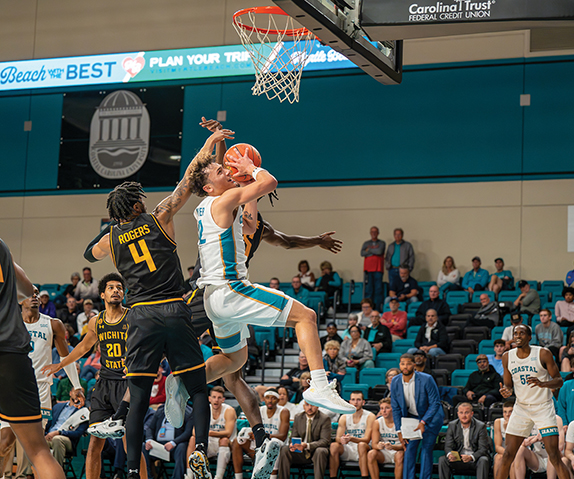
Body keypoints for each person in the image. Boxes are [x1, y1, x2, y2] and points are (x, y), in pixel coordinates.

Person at [182, 121, 343, 479]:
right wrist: (243, 163)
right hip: (219, 288)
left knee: (233, 364)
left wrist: (222, 149)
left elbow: (226, 187)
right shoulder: (226, 201)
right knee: (306, 317)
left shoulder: (230, 209)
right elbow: (236, 181)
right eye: (226, 172)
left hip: (216, 296)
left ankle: (187, 387)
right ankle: (318, 385)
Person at [87, 128, 232, 479]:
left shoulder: (112, 238)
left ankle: (134, 473)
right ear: (138, 206)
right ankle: (198, 453)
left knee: (136, 398)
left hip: (140, 318)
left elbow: (89, 254)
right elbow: (186, 181)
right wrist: (208, 145)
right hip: (174, 308)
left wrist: (114, 225)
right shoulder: (160, 216)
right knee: (198, 388)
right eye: (141, 199)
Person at [42, 273, 147, 479]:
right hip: (104, 386)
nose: (116, 290)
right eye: (111, 287)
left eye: (119, 287)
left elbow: (149, 345)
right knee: (94, 444)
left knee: (130, 445)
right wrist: (61, 364)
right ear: (102, 294)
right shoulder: (96, 322)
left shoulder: (133, 317)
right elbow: (83, 347)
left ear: (124, 293)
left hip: (127, 385)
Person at [0, 285, 84, 479]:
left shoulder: (53, 324)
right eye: (30, 293)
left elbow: (66, 357)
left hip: (39, 390)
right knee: (4, 442)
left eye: (37, 293)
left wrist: (77, 385)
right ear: (20, 299)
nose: (35, 296)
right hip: (11, 389)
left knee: (36, 450)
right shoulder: (8, 323)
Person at [0, 239, 66, 479]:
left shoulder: (52, 324)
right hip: (13, 357)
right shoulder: (3, 248)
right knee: (38, 451)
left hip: (39, 381)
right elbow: (28, 288)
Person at [495, 324, 570, 479]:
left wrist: (543, 384)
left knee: (554, 455)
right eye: (515, 333)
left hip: (543, 407)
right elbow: (508, 385)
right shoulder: (507, 356)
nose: (518, 336)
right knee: (508, 454)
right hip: (521, 408)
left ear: (529, 337)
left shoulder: (543, 353)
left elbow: (559, 380)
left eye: (522, 333)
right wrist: (507, 391)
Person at [390, 353, 444, 479]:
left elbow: (435, 403)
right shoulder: (395, 382)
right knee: (409, 449)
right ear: (399, 365)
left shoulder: (427, 379)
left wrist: (424, 421)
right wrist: (399, 430)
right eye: (403, 363)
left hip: (432, 417)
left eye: (408, 363)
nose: (405, 366)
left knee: (426, 449)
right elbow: (396, 408)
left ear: (414, 365)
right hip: (412, 418)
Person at [232, 388, 289, 479]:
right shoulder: (260, 410)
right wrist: (251, 434)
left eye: (273, 398)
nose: (270, 400)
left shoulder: (283, 411)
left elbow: (283, 436)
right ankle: (238, 477)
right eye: (267, 397)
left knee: (273, 444)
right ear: (263, 399)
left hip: (277, 444)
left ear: (278, 400)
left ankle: (272, 477)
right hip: (261, 443)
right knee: (237, 441)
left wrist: (263, 436)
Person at [277, 402, 331, 479]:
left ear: (318, 407)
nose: (309, 407)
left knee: (321, 451)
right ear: (303, 406)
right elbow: (293, 437)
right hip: (301, 453)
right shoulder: (298, 417)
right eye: (307, 405)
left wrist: (307, 445)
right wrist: (293, 444)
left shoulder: (324, 419)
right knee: (285, 450)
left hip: (315, 452)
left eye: (312, 405)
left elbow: (325, 441)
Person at [329, 391, 375, 479]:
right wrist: (343, 439)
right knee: (334, 445)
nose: (355, 402)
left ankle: (364, 477)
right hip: (350, 448)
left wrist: (351, 439)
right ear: (349, 402)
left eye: (358, 400)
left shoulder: (370, 416)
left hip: (365, 449)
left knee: (361, 445)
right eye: (353, 400)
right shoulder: (344, 417)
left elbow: (367, 439)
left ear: (363, 402)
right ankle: (333, 477)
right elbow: (338, 438)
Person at [438, 402, 491, 479]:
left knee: (483, 460)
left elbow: (483, 449)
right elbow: (448, 446)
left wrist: (471, 457)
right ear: (458, 414)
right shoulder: (452, 425)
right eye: (461, 413)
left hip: (475, 459)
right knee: (443, 460)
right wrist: (450, 454)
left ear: (472, 413)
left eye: (466, 412)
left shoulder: (480, 426)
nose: (464, 415)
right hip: (459, 458)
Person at [144, 404, 193, 479]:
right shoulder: (161, 410)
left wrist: (173, 443)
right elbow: (150, 428)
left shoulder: (188, 412)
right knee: (143, 447)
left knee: (182, 447)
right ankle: (147, 477)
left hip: (175, 445)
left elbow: (188, 432)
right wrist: (149, 440)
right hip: (158, 446)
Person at [45, 388, 89, 467]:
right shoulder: (57, 407)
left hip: (66, 439)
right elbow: (48, 423)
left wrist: (59, 433)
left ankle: (56, 474)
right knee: (32, 439)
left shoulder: (84, 413)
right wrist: (45, 434)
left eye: (80, 392)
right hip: (49, 435)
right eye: (75, 392)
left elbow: (78, 433)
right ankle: (27, 474)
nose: (77, 394)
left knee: (57, 439)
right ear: (70, 393)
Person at [367, 398, 405, 479]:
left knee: (400, 455)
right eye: (381, 408)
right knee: (371, 454)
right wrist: (379, 446)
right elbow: (374, 444)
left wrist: (393, 447)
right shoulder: (377, 422)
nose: (383, 411)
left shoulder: (401, 422)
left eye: (387, 408)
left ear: (393, 409)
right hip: (384, 452)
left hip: (398, 451)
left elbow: (406, 445)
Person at [206, 386, 236, 479]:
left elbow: (228, 433)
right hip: (209, 443)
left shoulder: (229, 410)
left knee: (224, 440)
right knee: (192, 440)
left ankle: (218, 477)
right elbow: (194, 432)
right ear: (209, 398)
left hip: (227, 445)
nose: (216, 400)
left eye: (219, 398)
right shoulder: (205, 409)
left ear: (223, 399)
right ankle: (189, 476)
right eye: (214, 397)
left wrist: (209, 433)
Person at [385, 228, 415, 296]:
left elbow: (411, 257)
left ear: (402, 235)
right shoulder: (391, 246)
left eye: (399, 234)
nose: (397, 236)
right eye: (396, 234)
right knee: (392, 287)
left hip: (403, 269)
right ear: (394, 235)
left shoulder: (407, 245)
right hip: (392, 269)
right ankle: (393, 302)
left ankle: (403, 301)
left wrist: (409, 268)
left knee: (403, 287)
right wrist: (387, 266)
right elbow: (387, 257)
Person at [361, 226, 385, 308]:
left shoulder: (382, 243)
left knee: (378, 290)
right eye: (372, 232)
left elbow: (379, 251)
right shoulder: (366, 243)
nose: (374, 233)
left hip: (378, 269)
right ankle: (367, 308)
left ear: (378, 233)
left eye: (375, 232)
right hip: (368, 270)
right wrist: (373, 252)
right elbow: (362, 253)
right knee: (368, 290)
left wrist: (369, 251)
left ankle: (378, 308)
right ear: (370, 233)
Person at [492, 400, 514, 479]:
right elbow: (497, 447)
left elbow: (515, 445)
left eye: (510, 412)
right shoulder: (498, 422)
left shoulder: (520, 422)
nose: (507, 415)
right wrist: (507, 454)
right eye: (505, 412)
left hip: (518, 452)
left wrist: (508, 429)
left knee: (514, 460)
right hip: (504, 452)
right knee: (498, 458)